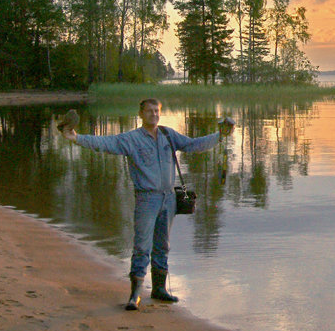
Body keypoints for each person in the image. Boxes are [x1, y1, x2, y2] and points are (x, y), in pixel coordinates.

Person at [61, 97, 233, 310]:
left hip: (169, 198)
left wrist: (219, 136)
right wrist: (76, 138)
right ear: (140, 114)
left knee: (163, 246)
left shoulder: (168, 135)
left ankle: (159, 290)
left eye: (157, 111)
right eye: (149, 111)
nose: (154, 114)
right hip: (146, 198)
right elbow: (105, 144)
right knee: (142, 246)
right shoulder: (131, 139)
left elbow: (192, 145)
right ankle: (135, 294)